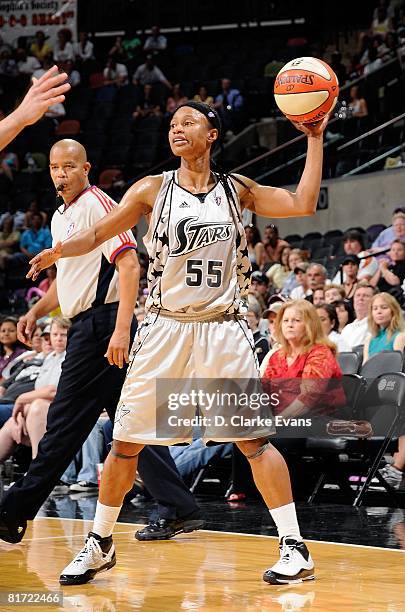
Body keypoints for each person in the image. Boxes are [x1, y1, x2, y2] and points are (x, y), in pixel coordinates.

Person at [27, 101, 329, 586]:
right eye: (172, 124)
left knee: (252, 441)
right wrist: (59, 251)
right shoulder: (152, 189)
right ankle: (100, 543)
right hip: (165, 327)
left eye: (188, 122)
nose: (177, 129)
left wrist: (314, 138)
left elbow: (303, 202)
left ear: (212, 135)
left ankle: (294, 546)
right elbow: (100, 232)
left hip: (223, 327)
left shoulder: (238, 191)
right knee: (125, 443)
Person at [0, 139, 202, 547]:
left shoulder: (99, 204)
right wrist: (36, 312)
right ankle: (180, 507)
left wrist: (121, 329)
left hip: (102, 327)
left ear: (86, 168)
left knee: (62, 425)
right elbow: (69, 282)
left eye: (69, 167)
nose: (61, 174)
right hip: (87, 324)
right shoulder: (61, 217)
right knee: (131, 425)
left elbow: (129, 266)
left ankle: (12, 512)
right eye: (55, 167)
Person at [0, 317, 69, 462]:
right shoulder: (50, 358)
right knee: (13, 423)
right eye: (55, 335)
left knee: (37, 407)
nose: (58, 339)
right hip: (36, 409)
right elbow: (40, 389)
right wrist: (21, 412)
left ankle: (37, 467)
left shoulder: (70, 357)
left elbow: (53, 392)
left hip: (62, 409)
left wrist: (21, 400)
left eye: (63, 335)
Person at [262, 300, 344, 417]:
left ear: (310, 325)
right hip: (283, 423)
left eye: (297, 320)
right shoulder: (277, 356)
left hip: (318, 423)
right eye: (285, 320)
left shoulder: (320, 353)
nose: (289, 324)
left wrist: (275, 423)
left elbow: (308, 399)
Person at [0, 65, 70, 152]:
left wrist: (20, 118)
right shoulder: (22, 100)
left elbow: (62, 112)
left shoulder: (53, 100)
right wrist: (20, 118)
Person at [363, 292, 405, 362]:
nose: (379, 311)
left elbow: (397, 365)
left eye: (384, 307)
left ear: (393, 311)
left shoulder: (400, 335)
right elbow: (364, 368)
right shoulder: (369, 340)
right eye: (375, 308)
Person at [340, 283, 376, 348]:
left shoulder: (374, 325)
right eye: (358, 295)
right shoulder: (347, 328)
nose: (360, 298)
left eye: (366, 296)